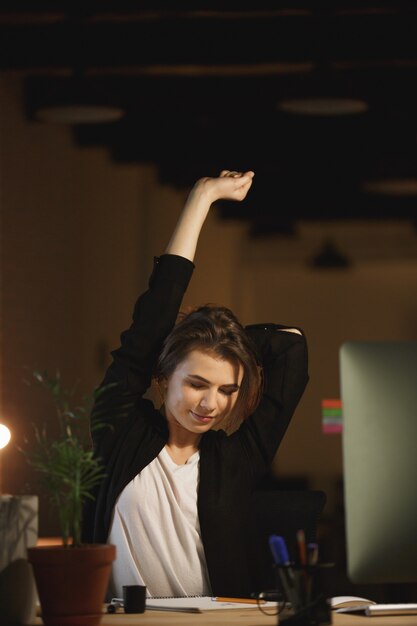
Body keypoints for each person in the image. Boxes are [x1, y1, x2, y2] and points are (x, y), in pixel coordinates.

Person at [82, 170, 309, 599]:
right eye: (197, 383)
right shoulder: (120, 432)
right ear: (162, 376)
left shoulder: (236, 459)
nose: (211, 404)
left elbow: (292, 349)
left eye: (228, 390)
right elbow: (153, 317)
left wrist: (223, 338)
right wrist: (202, 198)